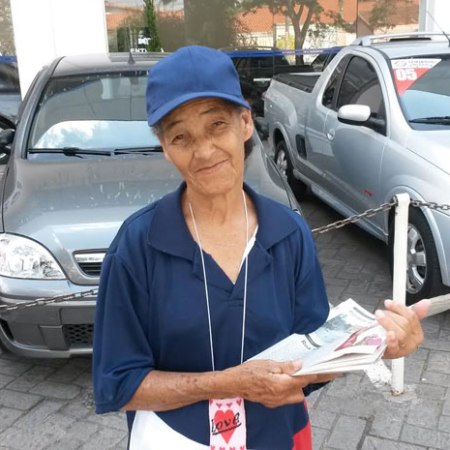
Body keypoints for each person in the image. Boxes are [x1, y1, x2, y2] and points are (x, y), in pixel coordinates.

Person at [92, 45, 429, 450]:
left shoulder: (286, 232)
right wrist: (228, 384)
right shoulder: (138, 245)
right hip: (174, 439)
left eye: (217, 125)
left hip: (277, 437)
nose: (204, 151)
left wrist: (374, 347)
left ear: (245, 123)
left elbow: (314, 357)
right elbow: (118, 383)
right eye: (181, 136)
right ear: (165, 147)